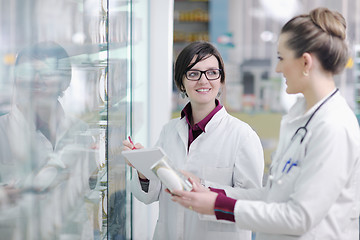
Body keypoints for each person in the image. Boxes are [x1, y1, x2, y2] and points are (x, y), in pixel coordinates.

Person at [171, 7, 360, 240]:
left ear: (306, 62)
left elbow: (300, 217)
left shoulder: (334, 126)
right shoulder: (301, 119)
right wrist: (212, 193)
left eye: (281, 58)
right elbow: (272, 196)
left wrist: (219, 206)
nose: (277, 68)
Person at [123, 41, 264, 239]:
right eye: (193, 73)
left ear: (221, 79)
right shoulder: (169, 131)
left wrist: (204, 187)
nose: (204, 80)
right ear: (181, 82)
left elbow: (253, 201)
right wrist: (143, 172)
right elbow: (150, 195)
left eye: (212, 72)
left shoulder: (242, 135)